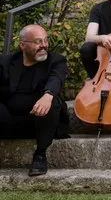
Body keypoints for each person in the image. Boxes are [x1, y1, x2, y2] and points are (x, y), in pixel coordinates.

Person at [0, 25, 69, 176]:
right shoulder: (6, 62)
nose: (44, 45)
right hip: (9, 121)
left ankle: (40, 154)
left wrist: (48, 95)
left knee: (53, 102)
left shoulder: (56, 61)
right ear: (22, 45)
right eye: (38, 42)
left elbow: (56, 79)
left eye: (45, 40)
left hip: (40, 123)